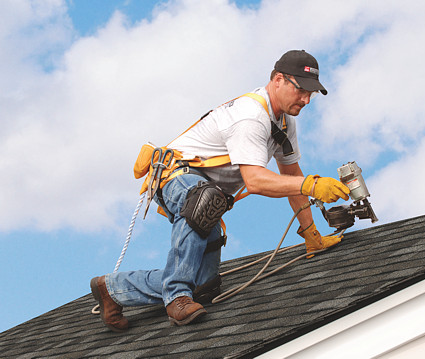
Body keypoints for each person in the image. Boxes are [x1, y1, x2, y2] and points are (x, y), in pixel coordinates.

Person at [90, 50, 350, 332]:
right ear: (278, 80)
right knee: (205, 201)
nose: (306, 99)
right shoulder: (250, 117)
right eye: (301, 90)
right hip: (177, 176)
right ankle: (176, 297)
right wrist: (312, 184)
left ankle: (113, 288)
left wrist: (311, 234)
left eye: (311, 93)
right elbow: (256, 181)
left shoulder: (285, 124)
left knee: (203, 286)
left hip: (206, 192)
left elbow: (290, 175)